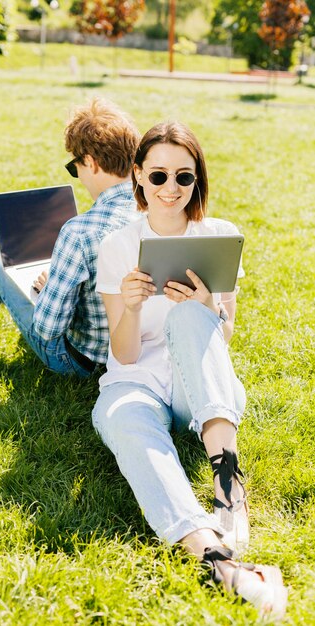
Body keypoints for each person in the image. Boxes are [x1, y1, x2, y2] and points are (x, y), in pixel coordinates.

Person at [92, 121, 288, 618]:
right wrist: (131, 307)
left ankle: (229, 488)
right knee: (121, 420)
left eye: (184, 177)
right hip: (136, 379)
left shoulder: (218, 236)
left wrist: (208, 308)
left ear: (197, 180)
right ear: (137, 176)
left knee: (187, 314)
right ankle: (215, 557)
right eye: (158, 176)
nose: (171, 189)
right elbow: (126, 354)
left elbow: (220, 340)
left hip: (198, 384)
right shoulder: (117, 245)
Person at [0, 99, 140, 376]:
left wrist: (48, 290)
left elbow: (47, 330)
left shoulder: (80, 232)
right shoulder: (156, 212)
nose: (79, 178)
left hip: (81, 363)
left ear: (91, 163)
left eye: (76, 169)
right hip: (139, 355)